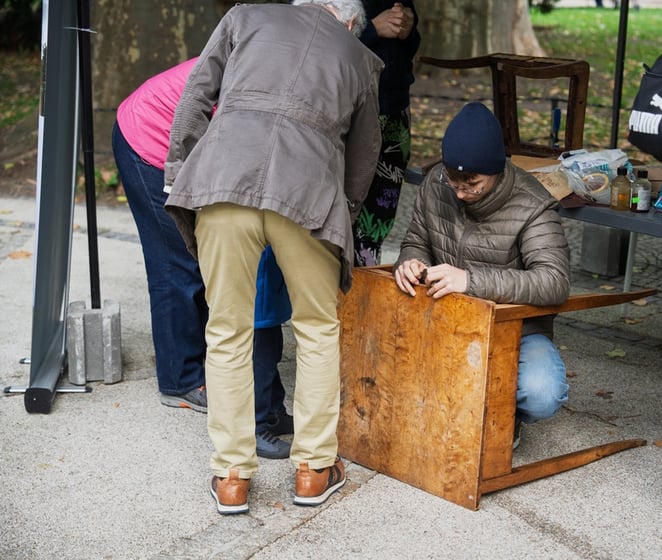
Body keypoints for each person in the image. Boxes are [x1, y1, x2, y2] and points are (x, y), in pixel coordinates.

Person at [163, 0, 383, 514]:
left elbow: (195, 97)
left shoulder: (244, 16)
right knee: (317, 330)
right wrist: (342, 213)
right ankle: (313, 470)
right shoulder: (359, 56)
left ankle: (231, 478)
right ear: (349, 20)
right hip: (308, 192)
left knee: (226, 330)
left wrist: (182, 173)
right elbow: (365, 152)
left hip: (224, 176)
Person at [112, 58, 294, 460]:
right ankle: (180, 379)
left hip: (188, 142)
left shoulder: (281, 73)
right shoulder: (254, 81)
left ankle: (211, 374)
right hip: (149, 139)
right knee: (177, 265)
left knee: (206, 262)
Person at [393, 101, 571, 449]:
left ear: (497, 171)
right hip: (444, 316)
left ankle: (507, 415)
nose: (460, 192)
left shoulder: (533, 204)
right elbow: (416, 241)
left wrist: (469, 280)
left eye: (473, 184)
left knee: (542, 394)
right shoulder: (436, 183)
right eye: (454, 180)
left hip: (514, 329)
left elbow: (554, 281)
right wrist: (412, 262)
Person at [353, 1, 420, 266]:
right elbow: (313, 37)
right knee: (339, 211)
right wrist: (371, 29)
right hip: (350, 110)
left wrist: (408, 29)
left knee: (380, 212)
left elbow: (408, 47)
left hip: (394, 111)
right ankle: (331, 283)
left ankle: (366, 277)